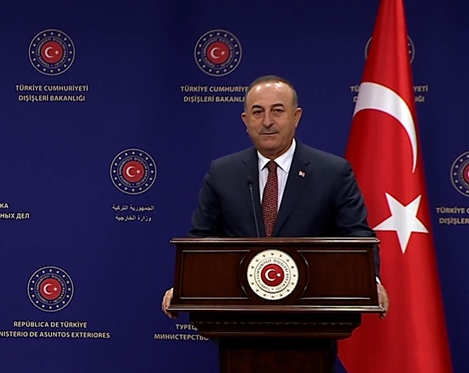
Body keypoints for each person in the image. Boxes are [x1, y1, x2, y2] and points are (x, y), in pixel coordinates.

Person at [162, 74, 388, 318]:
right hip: (240, 318)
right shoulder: (222, 173)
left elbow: (356, 236)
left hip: (310, 317)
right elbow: (202, 240)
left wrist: (370, 280)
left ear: (296, 117)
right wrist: (185, 285)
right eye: (258, 112)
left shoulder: (332, 173)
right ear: (245, 120)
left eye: (277, 111)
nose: (267, 122)